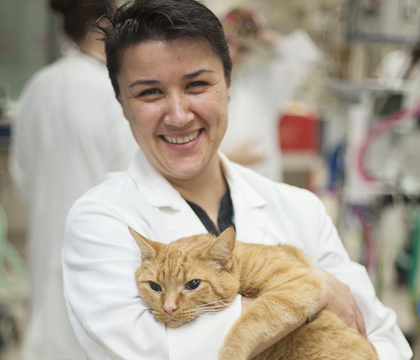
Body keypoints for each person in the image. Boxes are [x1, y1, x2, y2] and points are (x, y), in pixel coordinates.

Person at [62, 0, 412, 359]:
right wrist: (313, 288)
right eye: (150, 92)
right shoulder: (100, 220)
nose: (179, 115)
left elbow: (383, 338)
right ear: (122, 103)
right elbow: (155, 350)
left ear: (229, 84)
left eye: (196, 84)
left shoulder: (299, 208)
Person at [8, 1, 137, 359]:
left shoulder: (37, 85)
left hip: (46, 242)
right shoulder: (114, 92)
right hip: (105, 250)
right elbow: (136, 177)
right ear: (107, 27)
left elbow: (21, 180)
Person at [219, 8, 321, 181]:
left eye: (242, 48)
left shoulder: (262, 84)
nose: (232, 53)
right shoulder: (196, 87)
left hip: (262, 186)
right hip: (216, 184)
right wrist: (228, 158)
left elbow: (305, 55)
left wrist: (257, 33)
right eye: (227, 41)